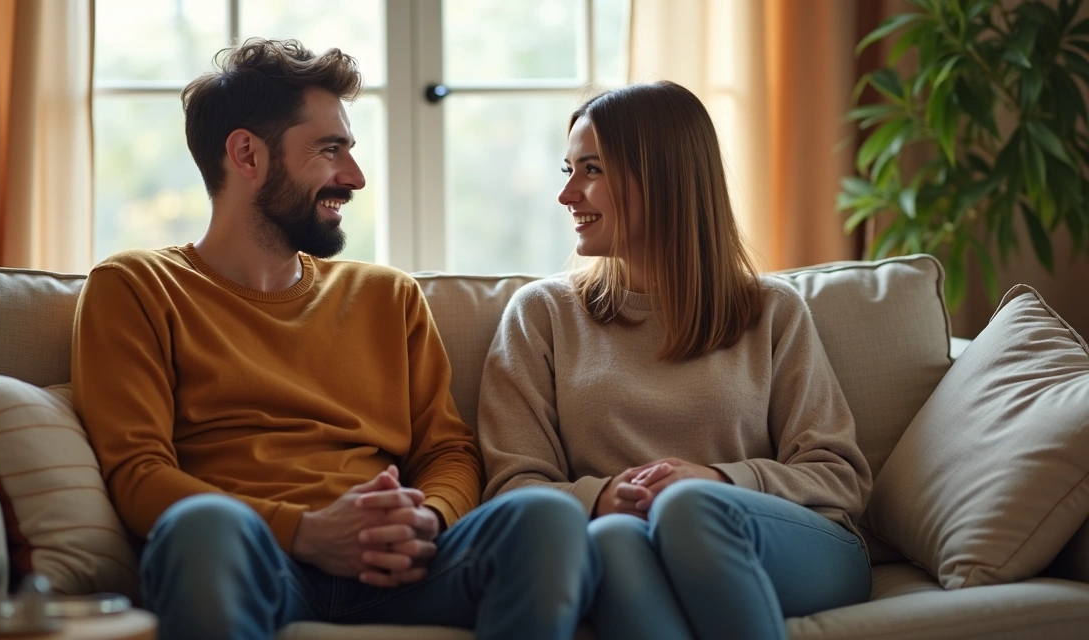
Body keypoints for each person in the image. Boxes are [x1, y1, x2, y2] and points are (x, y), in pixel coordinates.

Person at [72, 38, 597, 640]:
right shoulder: (137, 287)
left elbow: (447, 452)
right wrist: (309, 532)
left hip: (404, 566)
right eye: (330, 150)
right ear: (247, 154)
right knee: (203, 525)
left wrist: (424, 518)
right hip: (256, 560)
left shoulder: (387, 297)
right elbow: (138, 475)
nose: (355, 177)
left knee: (547, 517)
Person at [478, 81, 873, 640]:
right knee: (611, 539)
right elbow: (512, 489)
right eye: (567, 170)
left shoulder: (771, 311)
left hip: (794, 546)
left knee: (688, 506)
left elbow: (840, 476)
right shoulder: (541, 316)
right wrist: (601, 498)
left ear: (663, 177)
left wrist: (714, 481)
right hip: (626, 543)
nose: (568, 196)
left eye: (591, 169)